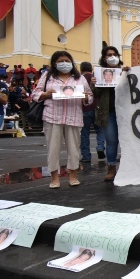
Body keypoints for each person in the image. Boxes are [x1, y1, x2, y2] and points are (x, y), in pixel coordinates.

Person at [32, 51, 92, 189]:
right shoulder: (47, 77)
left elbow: (90, 96)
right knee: (53, 149)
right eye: (61, 61)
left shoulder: (80, 79)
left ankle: (73, 176)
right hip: (52, 116)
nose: (65, 63)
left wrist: (85, 97)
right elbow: (35, 93)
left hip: (74, 116)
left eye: (67, 60)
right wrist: (46, 94)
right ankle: (54, 178)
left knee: (74, 149)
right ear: (54, 63)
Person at [91, 46, 123, 181]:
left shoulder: (124, 71)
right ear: (104, 58)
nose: (112, 57)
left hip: (124, 112)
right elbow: (97, 94)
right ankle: (111, 168)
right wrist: (95, 84)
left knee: (128, 141)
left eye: (115, 54)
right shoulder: (98, 74)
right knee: (111, 141)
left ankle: (129, 167)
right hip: (108, 112)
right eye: (109, 54)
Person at [79, 62, 105, 163]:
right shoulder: (97, 78)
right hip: (98, 108)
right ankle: (100, 147)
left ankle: (86, 155)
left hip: (85, 108)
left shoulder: (79, 79)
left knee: (84, 133)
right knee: (100, 131)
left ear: (81, 69)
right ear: (91, 69)